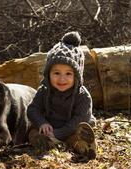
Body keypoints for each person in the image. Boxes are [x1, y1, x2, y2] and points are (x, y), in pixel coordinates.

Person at [27, 31, 97, 159]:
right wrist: (42, 122)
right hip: (49, 128)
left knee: (76, 135)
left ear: (77, 76)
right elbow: (32, 109)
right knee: (33, 132)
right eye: (56, 73)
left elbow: (79, 120)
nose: (62, 79)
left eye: (68, 74)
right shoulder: (44, 90)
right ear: (48, 74)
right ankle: (44, 143)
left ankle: (83, 146)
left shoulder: (82, 96)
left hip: (72, 128)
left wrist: (58, 134)